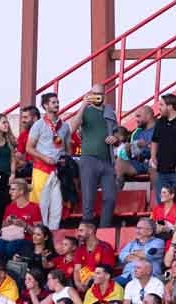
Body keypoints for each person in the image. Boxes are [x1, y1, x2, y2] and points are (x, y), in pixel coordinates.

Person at [71, 84, 119, 226]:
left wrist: (115, 138)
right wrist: (83, 105)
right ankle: (87, 230)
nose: (98, 96)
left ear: (104, 95)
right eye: (94, 93)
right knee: (88, 199)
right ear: (89, 94)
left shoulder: (109, 112)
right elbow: (72, 127)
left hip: (107, 160)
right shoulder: (86, 111)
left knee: (110, 198)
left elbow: (117, 132)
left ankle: (104, 229)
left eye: (100, 94)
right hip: (89, 159)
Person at [25, 92, 70, 229]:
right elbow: (28, 148)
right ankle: (40, 234)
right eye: (53, 102)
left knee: (57, 207)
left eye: (57, 102)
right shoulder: (38, 125)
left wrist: (65, 160)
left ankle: (53, 234)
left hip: (58, 171)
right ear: (45, 106)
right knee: (41, 207)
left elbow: (68, 148)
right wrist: (45, 158)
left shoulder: (65, 126)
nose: (57, 105)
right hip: (41, 170)